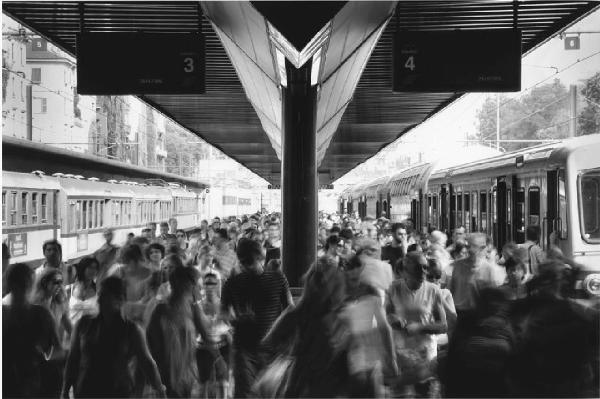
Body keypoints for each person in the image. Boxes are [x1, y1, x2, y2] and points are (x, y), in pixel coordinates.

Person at [62, 276, 166, 398]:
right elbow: (73, 358)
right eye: (100, 294)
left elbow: (147, 363)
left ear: (120, 299)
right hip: (86, 390)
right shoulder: (84, 324)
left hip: (118, 391)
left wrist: (160, 391)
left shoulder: (131, 330)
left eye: (105, 296)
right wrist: (65, 390)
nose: (100, 299)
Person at [260, 257, 350, 397]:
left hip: (301, 382)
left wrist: (287, 354)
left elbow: (269, 343)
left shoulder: (297, 312)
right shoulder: (338, 316)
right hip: (324, 384)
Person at [221, 238, 293, 398]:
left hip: (271, 348)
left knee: (270, 393)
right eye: (244, 262)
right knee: (246, 393)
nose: (247, 266)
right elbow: (223, 313)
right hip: (245, 349)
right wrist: (237, 319)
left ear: (261, 258)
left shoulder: (278, 279)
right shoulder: (231, 283)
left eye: (250, 261)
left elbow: (290, 309)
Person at [387, 253, 447, 397]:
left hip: (425, 355)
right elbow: (385, 315)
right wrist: (393, 318)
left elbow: (443, 325)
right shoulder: (393, 288)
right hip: (401, 354)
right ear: (405, 270)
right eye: (417, 268)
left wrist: (420, 327)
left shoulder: (433, 290)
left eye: (425, 268)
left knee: (426, 394)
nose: (424, 272)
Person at [341, 255, 397, 398]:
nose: (356, 284)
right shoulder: (342, 300)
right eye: (352, 279)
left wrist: (391, 360)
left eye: (359, 278)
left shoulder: (372, 298)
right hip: (355, 365)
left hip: (371, 365)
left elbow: (385, 329)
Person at [3, 263, 59, 398]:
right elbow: (57, 352)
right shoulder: (41, 314)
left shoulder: (4, 314)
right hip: (33, 385)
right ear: (31, 284)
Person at [146, 266, 201, 398]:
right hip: (168, 372)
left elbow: (204, 335)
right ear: (187, 284)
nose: (198, 287)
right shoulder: (161, 309)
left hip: (187, 371)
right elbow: (152, 344)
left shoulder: (193, 308)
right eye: (196, 283)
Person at [32, 267, 72, 397]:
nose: (60, 285)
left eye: (61, 282)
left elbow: (69, 327)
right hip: (37, 358)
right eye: (56, 282)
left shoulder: (60, 303)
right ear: (45, 283)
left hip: (55, 355)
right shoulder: (35, 305)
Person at [196, 272, 231, 399]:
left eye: (212, 283)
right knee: (203, 383)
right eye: (207, 283)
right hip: (203, 347)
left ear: (217, 285)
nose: (210, 286)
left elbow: (230, 326)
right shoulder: (198, 306)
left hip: (222, 345)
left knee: (223, 382)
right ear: (203, 285)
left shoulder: (224, 304)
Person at [67, 257, 99, 326]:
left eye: (95, 268)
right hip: (72, 332)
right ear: (83, 268)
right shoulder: (70, 289)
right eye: (90, 267)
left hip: (92, 332)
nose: (93, 271)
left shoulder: (98, 290)